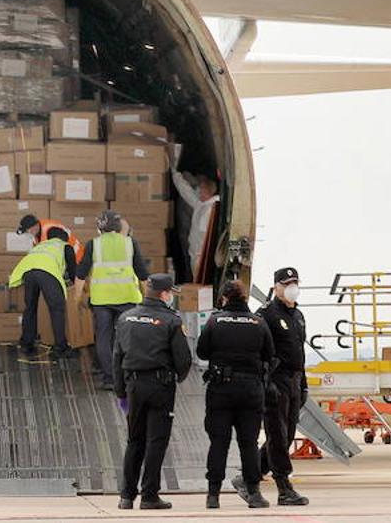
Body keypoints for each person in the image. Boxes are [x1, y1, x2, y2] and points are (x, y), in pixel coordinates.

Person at [112, 274, 193, 510]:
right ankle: (149, 495)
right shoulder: (172, 321)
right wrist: (177, 378)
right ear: (164, 294)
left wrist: (120, 392)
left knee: (134, 440)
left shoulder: (125, 318)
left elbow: (117, 357)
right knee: (156, 441)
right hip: (160, 386)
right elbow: (183, 359)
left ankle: (126, 496)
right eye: (171, 293)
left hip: (133, 386)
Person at [197, 280, 274, 509]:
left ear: (224, 299)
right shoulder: (258, 323)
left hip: (221, 389)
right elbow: (270, 355)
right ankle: (254, 493)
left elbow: (202, 351)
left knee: (218, 443)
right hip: (251, 390)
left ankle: (213, 496)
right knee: (248, 443)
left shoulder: (214, 321)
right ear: (244, 299)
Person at [245, 266, 311, 505]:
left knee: (287, 434)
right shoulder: (266, 314)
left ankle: (247, 477)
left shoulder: (298, 315)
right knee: (278, 434)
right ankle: (284, 488)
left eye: (295, 282)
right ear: (276, 288)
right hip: (275, 380)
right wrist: (265, 382)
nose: (292, 288)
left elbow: (299, 352)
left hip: (293, 380)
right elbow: (258, 352)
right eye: (286, 284)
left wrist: (303, 384)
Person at [75, 210, 148, 390]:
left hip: (102, 300)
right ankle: (125, 376)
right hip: (127, 299)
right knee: (124, 338)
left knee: (103, 337)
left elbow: (81, 274)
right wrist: (147, 298)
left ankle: (109, 378)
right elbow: (143, 275)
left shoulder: (94, 244)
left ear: (100, 227)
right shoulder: (130, 243)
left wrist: (78, 298)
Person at [8, 227, 77, 358]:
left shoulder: (41, 245)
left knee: (30, 308)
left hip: (28, 271)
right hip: (47, 272)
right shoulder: (65, 246)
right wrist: (77, 288)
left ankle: (27, 344)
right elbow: (73, 272)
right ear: (64, 237)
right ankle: (60, 347)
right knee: (57, 308)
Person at [168, 144, 219, 273]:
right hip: (195, 255)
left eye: (201, 191)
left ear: (208, 192)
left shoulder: (211, 210)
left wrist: (199, 257)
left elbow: (203, 237)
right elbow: (186, 191)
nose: (199, 193)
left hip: (202, 257)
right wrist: (174, 171)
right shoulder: (201, 204)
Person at [16, 214, 86, 265]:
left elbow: (62, 247)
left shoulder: (51, 230)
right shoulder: (36, 236)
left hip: (77, 259)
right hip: (66, 262)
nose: (28, 233)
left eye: (28, 231)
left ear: (35, 226)